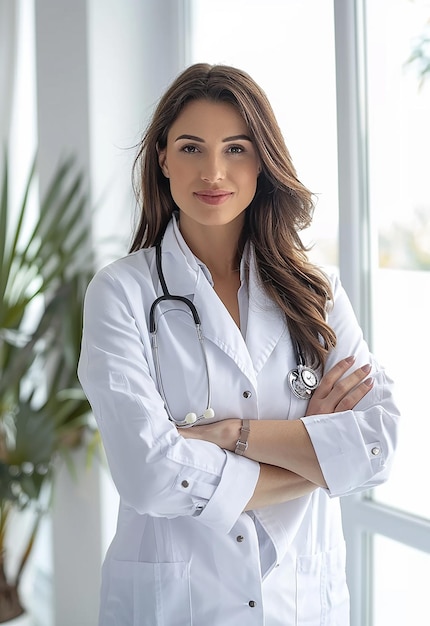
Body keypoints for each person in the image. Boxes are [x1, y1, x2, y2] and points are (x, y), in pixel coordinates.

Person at [78, 63, 399, 626]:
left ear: (262, 161)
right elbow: (151, 477)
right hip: (177, 606)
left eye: (236, 148)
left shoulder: (315, 291)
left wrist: (235, 435)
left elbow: (379, 444)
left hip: (301, 605)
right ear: (162, 158)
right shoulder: (121, 293)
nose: (214, 171)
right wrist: (317, 454)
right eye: (192, 147)